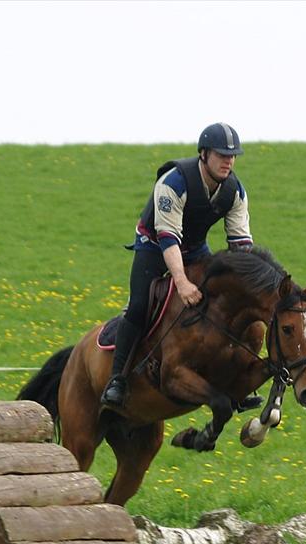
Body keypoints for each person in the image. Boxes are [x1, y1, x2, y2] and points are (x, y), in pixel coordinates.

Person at [100, 122, 254, 409]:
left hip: (194, 247)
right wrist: (181, 282)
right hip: (155, 245)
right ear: (204, 154)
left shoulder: (235, 191)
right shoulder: (173, 182)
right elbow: (168, 238)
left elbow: (241, 245)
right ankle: (117, 380)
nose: (229, 161)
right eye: (222, 154)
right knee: (140, 305)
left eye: (232, 156)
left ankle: (230, 379)